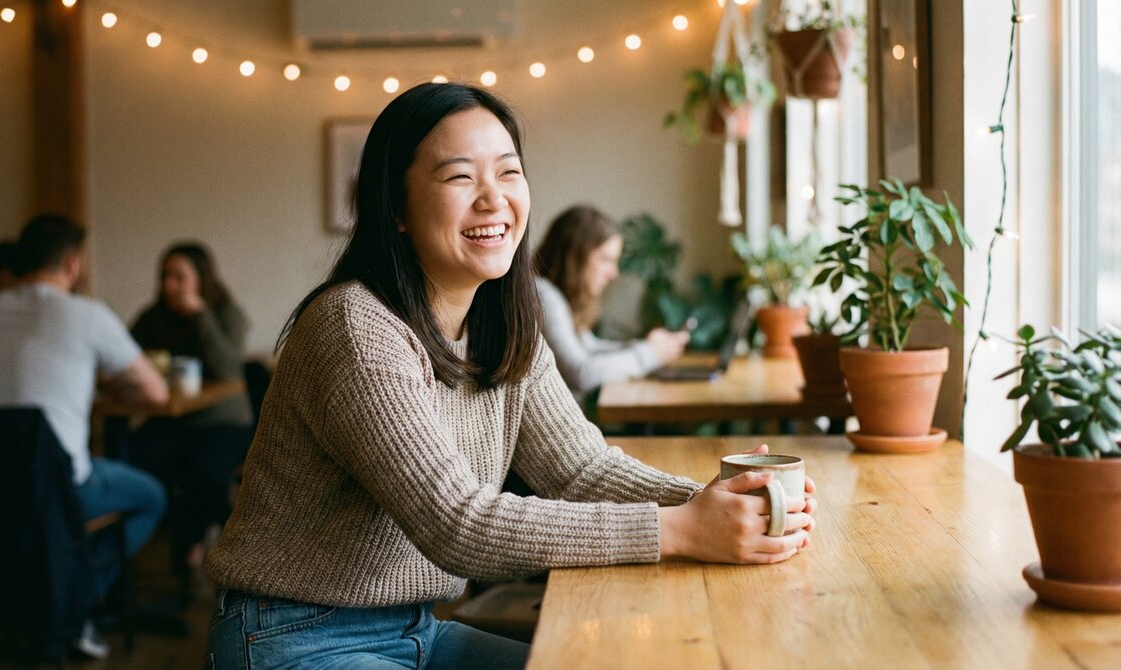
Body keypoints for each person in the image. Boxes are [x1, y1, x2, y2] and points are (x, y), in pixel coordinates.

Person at [203, 83, 816, 670]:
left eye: (509, 171)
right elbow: (458, 524)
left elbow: (580, 471)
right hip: (290, 639)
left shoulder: (502, 322)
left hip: (415, 629)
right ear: (395, 208)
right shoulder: (356, 329)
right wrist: (679, 529)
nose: (493, 198)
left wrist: (714, 504)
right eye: (460, 177)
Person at [0, 214, 169, 659]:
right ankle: (77, 600)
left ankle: (46, 594)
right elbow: (156, 391)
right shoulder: (86, 315)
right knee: (151, 496)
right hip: (56, 486)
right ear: (74, 264)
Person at [129, 242, 252, 590]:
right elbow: (124, 357)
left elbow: (230, 369)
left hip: (223, 421)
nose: (169, 285)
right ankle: (133, 563)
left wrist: (200, 315)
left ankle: (195, 549)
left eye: (179, 277)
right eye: (166, 276)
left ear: (200, 279)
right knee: (136, 455)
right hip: (173, 419)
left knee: (205, 468)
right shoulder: (154, 317)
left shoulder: (226, 313)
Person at [534, 205, 689, 402]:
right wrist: (650, 353)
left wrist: (650, 347)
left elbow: (590, 348)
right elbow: (581, 372)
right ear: (575, 257)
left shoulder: (558, 296)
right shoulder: (543, 294)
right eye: (606, 260)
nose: (613, 273)